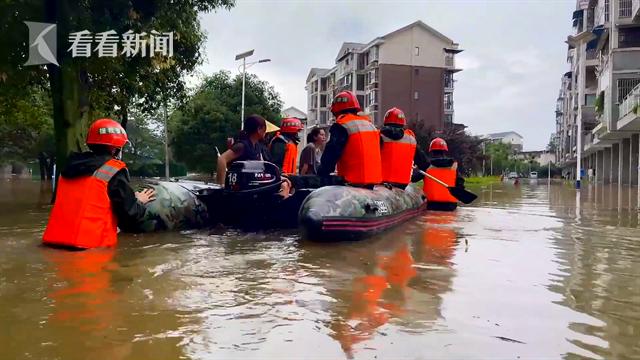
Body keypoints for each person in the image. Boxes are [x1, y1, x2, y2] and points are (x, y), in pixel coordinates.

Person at [42, 118, 156, 249]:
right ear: (115, 148)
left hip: (52, 244)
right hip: (90, 248)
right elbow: (129, 215)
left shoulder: (67, 167)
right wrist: (139, 201)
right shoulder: (114, 169)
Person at [317, 91, 382, 188]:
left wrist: (321, 174)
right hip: (372, 183)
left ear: (336, 111)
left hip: (351, 183)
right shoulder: (371, 126)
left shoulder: (342, 125)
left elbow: (331, 154)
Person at [379, 107, 429, 189]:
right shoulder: (410, 140)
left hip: (381, 184)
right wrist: (413, 178)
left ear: (385, 122)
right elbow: (425, 165)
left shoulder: (378, 136)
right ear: (403, 124)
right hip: (402, 185)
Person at [216, 115, 274, 185]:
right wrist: (221, 185)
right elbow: (222, 159)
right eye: (264, 129)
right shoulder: (242, 146)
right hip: (239, 187)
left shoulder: (257, 146)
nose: (266, 132)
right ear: (259, 129)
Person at [421, 137, 465, 211]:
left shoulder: (427, 165)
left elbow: (414, 179)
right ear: (445, 151)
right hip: (450, 205)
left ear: (431, 151)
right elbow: (460, 183)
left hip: (431, 204)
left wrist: (416, 170)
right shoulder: (453, 165)